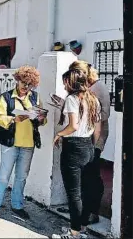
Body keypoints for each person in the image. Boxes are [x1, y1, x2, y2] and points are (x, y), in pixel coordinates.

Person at [0, 65, 47, 221]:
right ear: (17, 80)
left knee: (21, 176)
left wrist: (41, 119)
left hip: (28, 143)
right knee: (3, 176)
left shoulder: (35, 98)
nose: (26, 88)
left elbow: (42, 120)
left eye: (29, 85)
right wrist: (14, 119)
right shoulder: (6, 97)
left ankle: (18, 205)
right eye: (23, 84)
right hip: (10, 143)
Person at [52, 69, 101, 239]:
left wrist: (59, 134)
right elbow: (97, 129)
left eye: (65, 81)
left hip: (73, 147)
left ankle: (74, 233)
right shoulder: (93, 99)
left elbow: (73, 126)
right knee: (85, 190)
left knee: (74, 193)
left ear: (72, 82)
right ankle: (82, 228)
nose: (64, 85)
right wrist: (91, 148)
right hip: (88, 146)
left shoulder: (73, 99)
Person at [68, 60, 110, 223]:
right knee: (84, 175)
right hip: (85, 137)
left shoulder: (99, 88)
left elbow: (104, 115)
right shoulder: (87, 88)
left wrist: (86, 113)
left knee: (92, 175)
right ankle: (83, 210)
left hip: (95, 138)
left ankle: (93, 212)